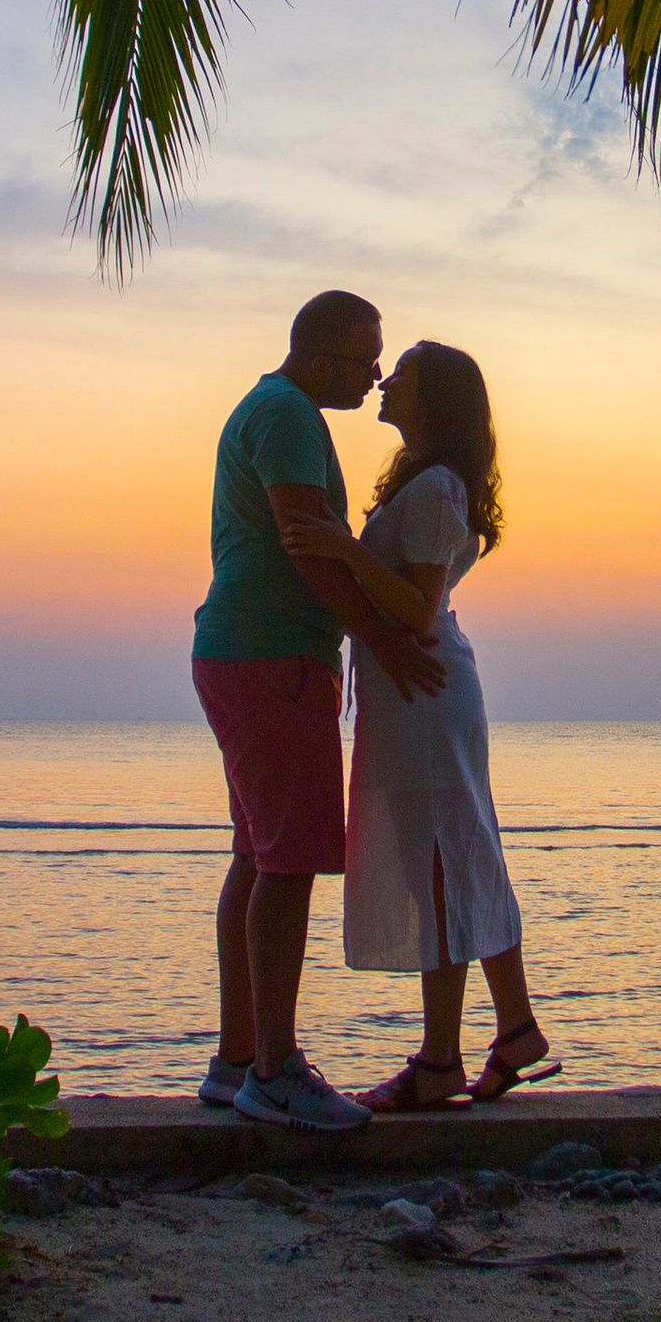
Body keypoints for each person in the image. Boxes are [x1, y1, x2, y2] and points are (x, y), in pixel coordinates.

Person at [277, 341, 558, 1111]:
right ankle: (514, 1029)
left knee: (442, 859)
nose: (384, 379)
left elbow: (416, 607)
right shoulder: (422, 481)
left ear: (431, 396)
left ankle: (441, 1063)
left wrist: (338, 545)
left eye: (400, 370)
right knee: (460, 850)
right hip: (413, 684)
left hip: (424, 685)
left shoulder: (436, 487)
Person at [191, 291, 446, 1132]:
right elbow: (306, 541)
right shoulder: (290, 416)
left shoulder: (274, 409)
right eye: (366, 357)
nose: (374, 374)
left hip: (247, 654)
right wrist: (385, 637)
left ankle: (237, 1060)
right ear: (323, 352)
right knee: (289, 863)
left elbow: (307, 540)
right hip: (272, 658)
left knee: (258, 858)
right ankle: (275, 1071)